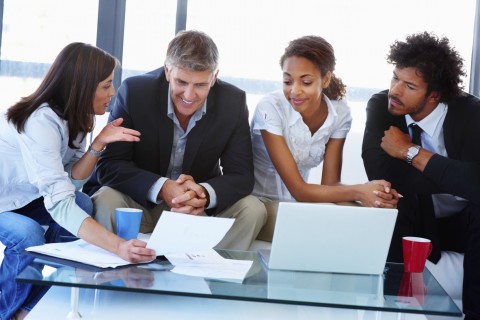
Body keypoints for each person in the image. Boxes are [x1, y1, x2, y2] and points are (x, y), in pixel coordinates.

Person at [0, 42, 156, 320]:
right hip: (3, 201)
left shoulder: (76, 116)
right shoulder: (39, 121)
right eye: (106, 86)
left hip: (25, 196)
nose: (113, 93)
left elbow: (71, 183)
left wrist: (98, 144)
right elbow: (59, 202)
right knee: (27, 234)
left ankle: (29, 305)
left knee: (82, 203)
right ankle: (8, 312)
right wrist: (118, 246)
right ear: (82, 86)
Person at [88, 30, 267, 251]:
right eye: (181, 82)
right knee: (106, 199)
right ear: (167, 71)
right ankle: (121, 275)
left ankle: (211, 274)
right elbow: (110, 166)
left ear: (214, 77)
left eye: (201, 85)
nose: (189, 95)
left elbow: (241, 175)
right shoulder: (135, 92)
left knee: (253, 209)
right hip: (141, 202)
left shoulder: (233, 101)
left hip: (196, 210)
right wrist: (162, 187)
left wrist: (202, 193)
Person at [361, 31, 480, 320]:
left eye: (409, 86)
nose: (395, 91)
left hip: (463, 223)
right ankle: (386, 311)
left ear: (434, 95)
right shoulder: (381, 107)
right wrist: (454, 174)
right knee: (387, 196)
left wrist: (409, 152)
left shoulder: (471, 114)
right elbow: (381, 171)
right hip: (416, 216)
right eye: (394, 78)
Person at [250, 35, 399, 223]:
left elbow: (330, 184)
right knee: (333, 222)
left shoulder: (339, 113)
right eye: (288, 82)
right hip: (261, 203)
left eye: (306, 82)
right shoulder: (270, 108)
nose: (294, 91)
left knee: (365, 212)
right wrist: (360, 190)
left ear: (326, 78)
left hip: (302, 202)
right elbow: (298, 189)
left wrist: (374, 191)